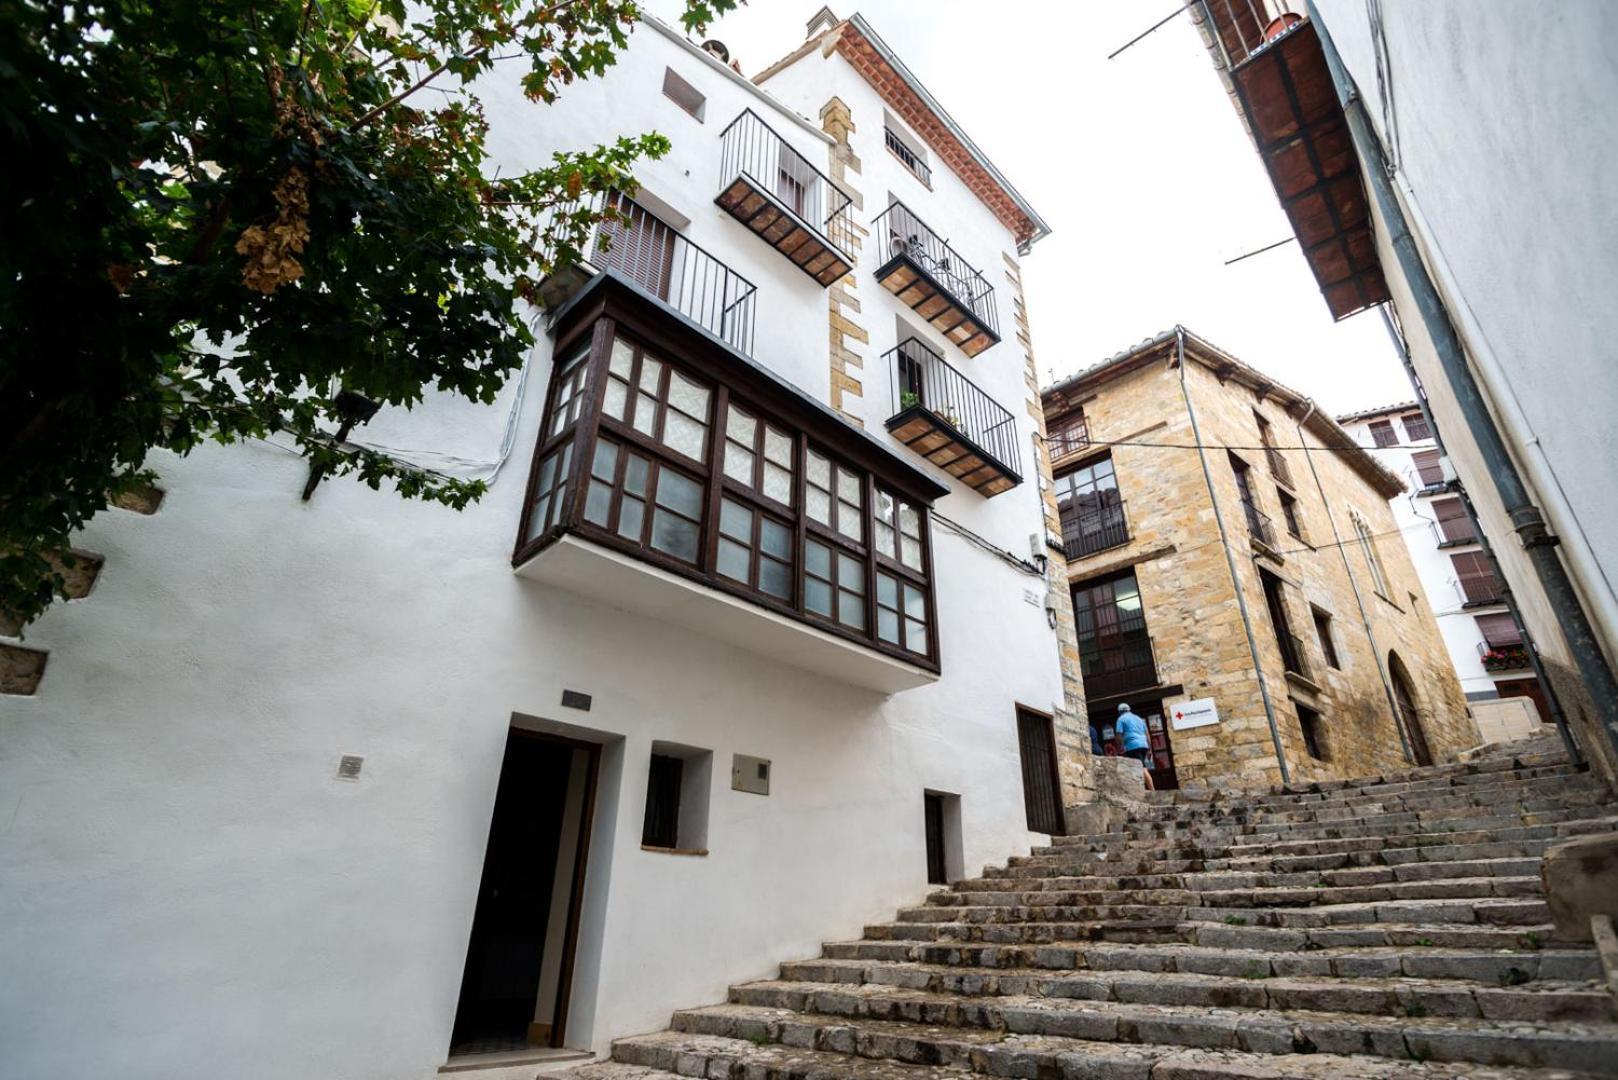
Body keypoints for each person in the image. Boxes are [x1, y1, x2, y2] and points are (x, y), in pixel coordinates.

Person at [1115, 702, 1155, 791]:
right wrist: (1149, 749)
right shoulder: (1139, 719)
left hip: (1132, 746)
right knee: (1138, 767)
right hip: (1143, 745)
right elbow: (1147, 735)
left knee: (1142, 768)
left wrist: (1120, 747)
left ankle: (1152, 790)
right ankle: (1143, 789)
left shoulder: (1121, 719)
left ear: (1119, 712)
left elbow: (1119, 735)